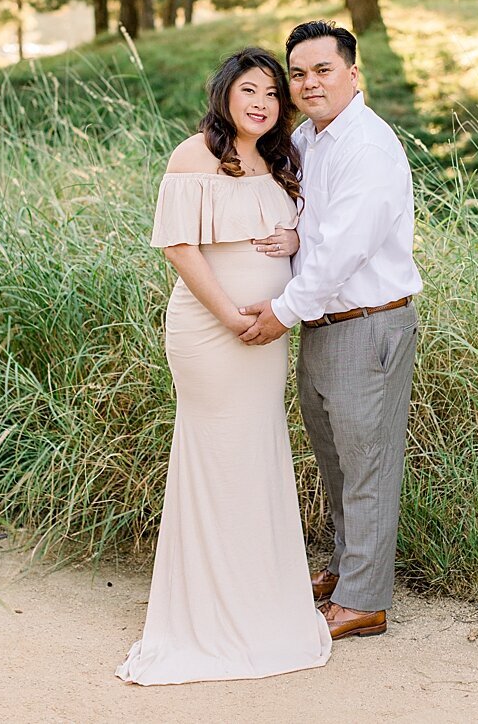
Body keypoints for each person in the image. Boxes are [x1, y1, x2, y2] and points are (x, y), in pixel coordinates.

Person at [118, 48, 331, 685]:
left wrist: (294, 240)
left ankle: (258, 599)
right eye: (248, 90)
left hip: (267, 335)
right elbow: (180, 248)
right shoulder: (194, 155)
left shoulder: (281, 160)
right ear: (225, 95)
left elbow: (300, 232)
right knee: (216, 455)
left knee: (257, 455)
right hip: (211, 334)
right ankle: (206, 611)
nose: (262, 102)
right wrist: (231, 317)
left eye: (272, 92)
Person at [239, 20, 422, 642]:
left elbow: (344, 251)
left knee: (366, 463)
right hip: (327, 321)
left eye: (322, 70)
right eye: (298, 73)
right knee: (336, 460)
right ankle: (348, 570)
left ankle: (365, 601)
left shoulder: (366, 146)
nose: (309, 83)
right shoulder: (315, 140)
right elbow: (320, 228)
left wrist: (282, 312)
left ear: (352, 73)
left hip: (367, 325)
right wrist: (294, 239)